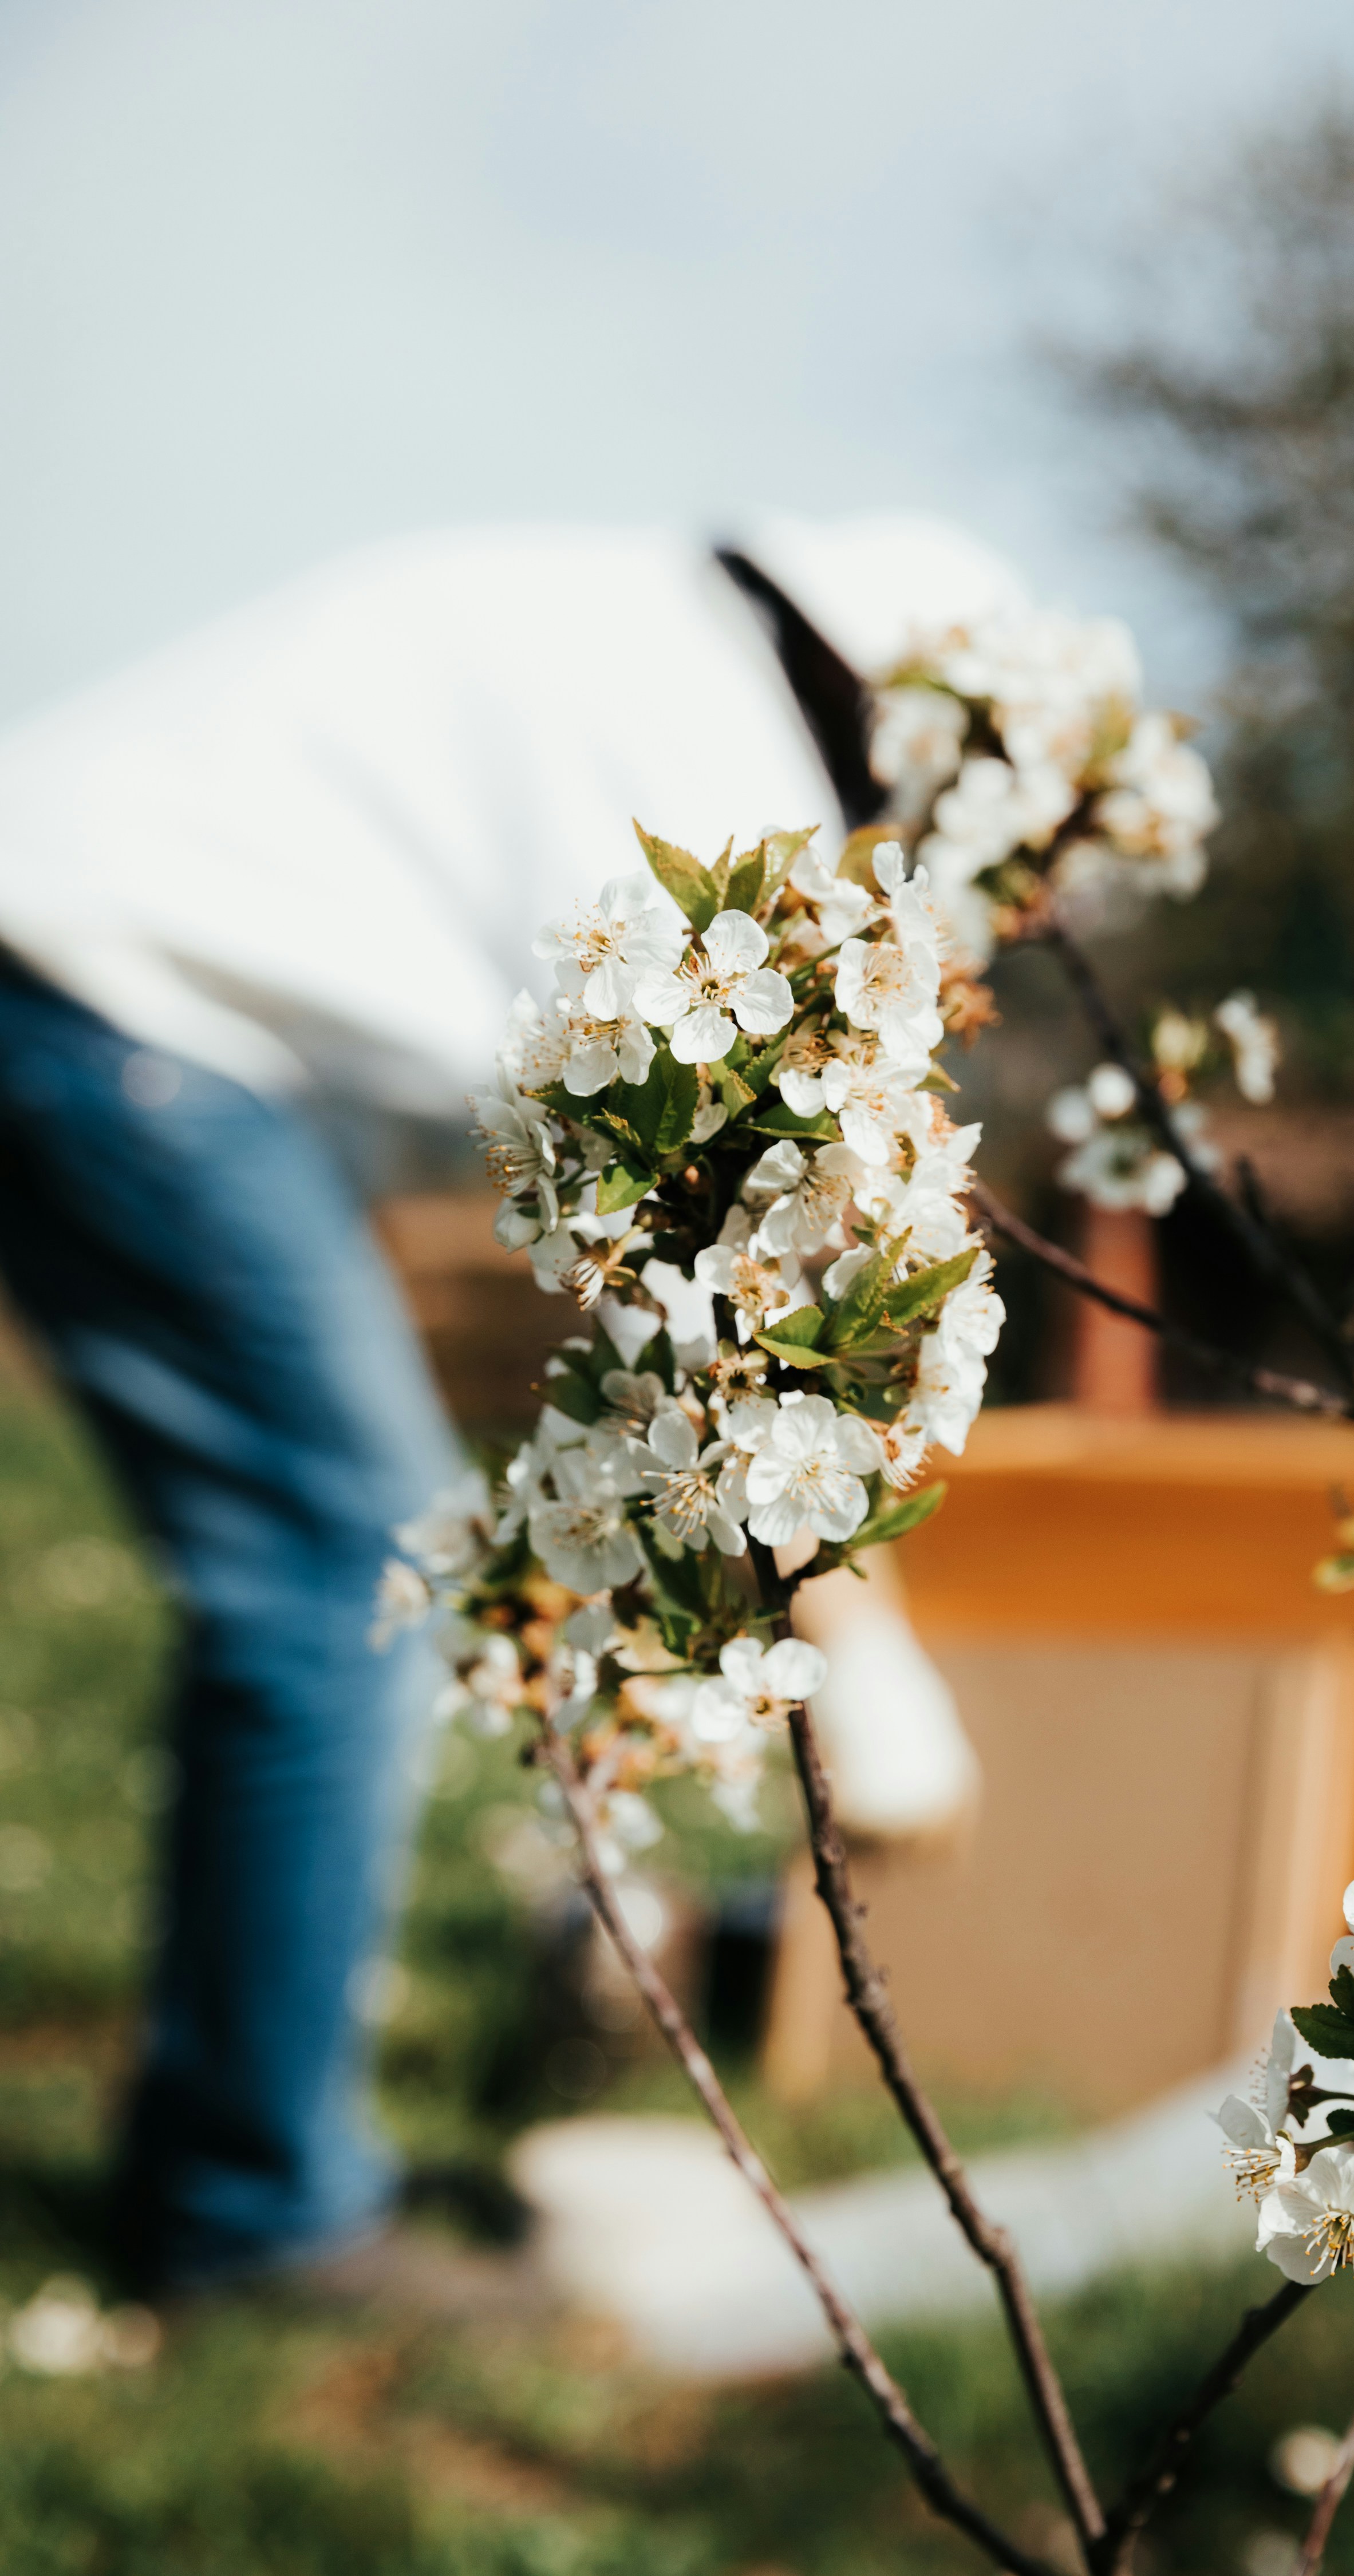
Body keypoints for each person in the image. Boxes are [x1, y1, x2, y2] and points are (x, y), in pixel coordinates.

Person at [0, 515, 1017, 2294]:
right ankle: (256, 2213)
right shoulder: (712, 769)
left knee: (337, 1544)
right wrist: (873, 1656)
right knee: (346, 1567)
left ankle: (238, 2161)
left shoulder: (615, 624)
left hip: (91, 979)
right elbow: (727, 1274)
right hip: (108, 1004)